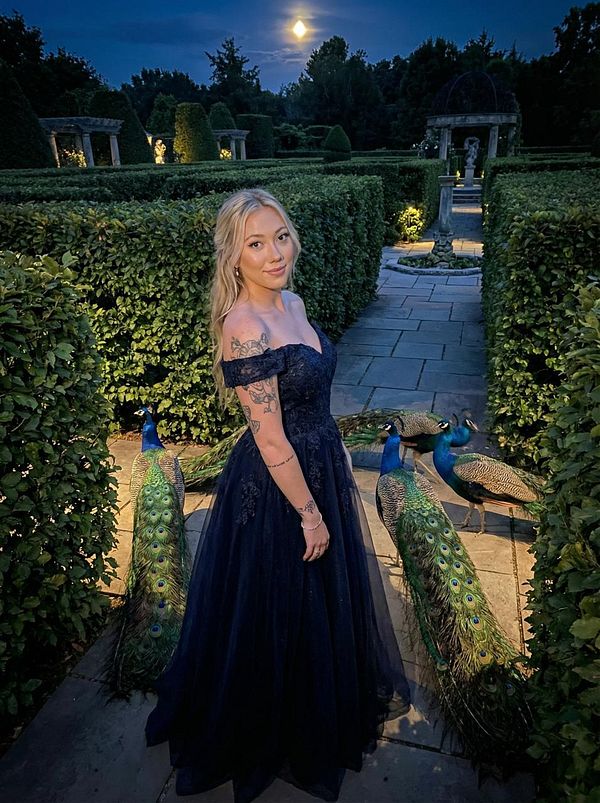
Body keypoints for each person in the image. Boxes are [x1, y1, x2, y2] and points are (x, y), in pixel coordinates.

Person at [145, 188, 411, 802]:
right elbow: (268, 438)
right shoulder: (244, 327)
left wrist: (338, 454)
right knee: (272, 603)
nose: (274, 253)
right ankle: (267, 727)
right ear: (232, 257)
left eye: (281, 236)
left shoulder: (292, 301)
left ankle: (311, 706)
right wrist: (311, 513)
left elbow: (311, 398)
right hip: (278, 488)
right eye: (255, 244)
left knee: (318, 605)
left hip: (318, 462)